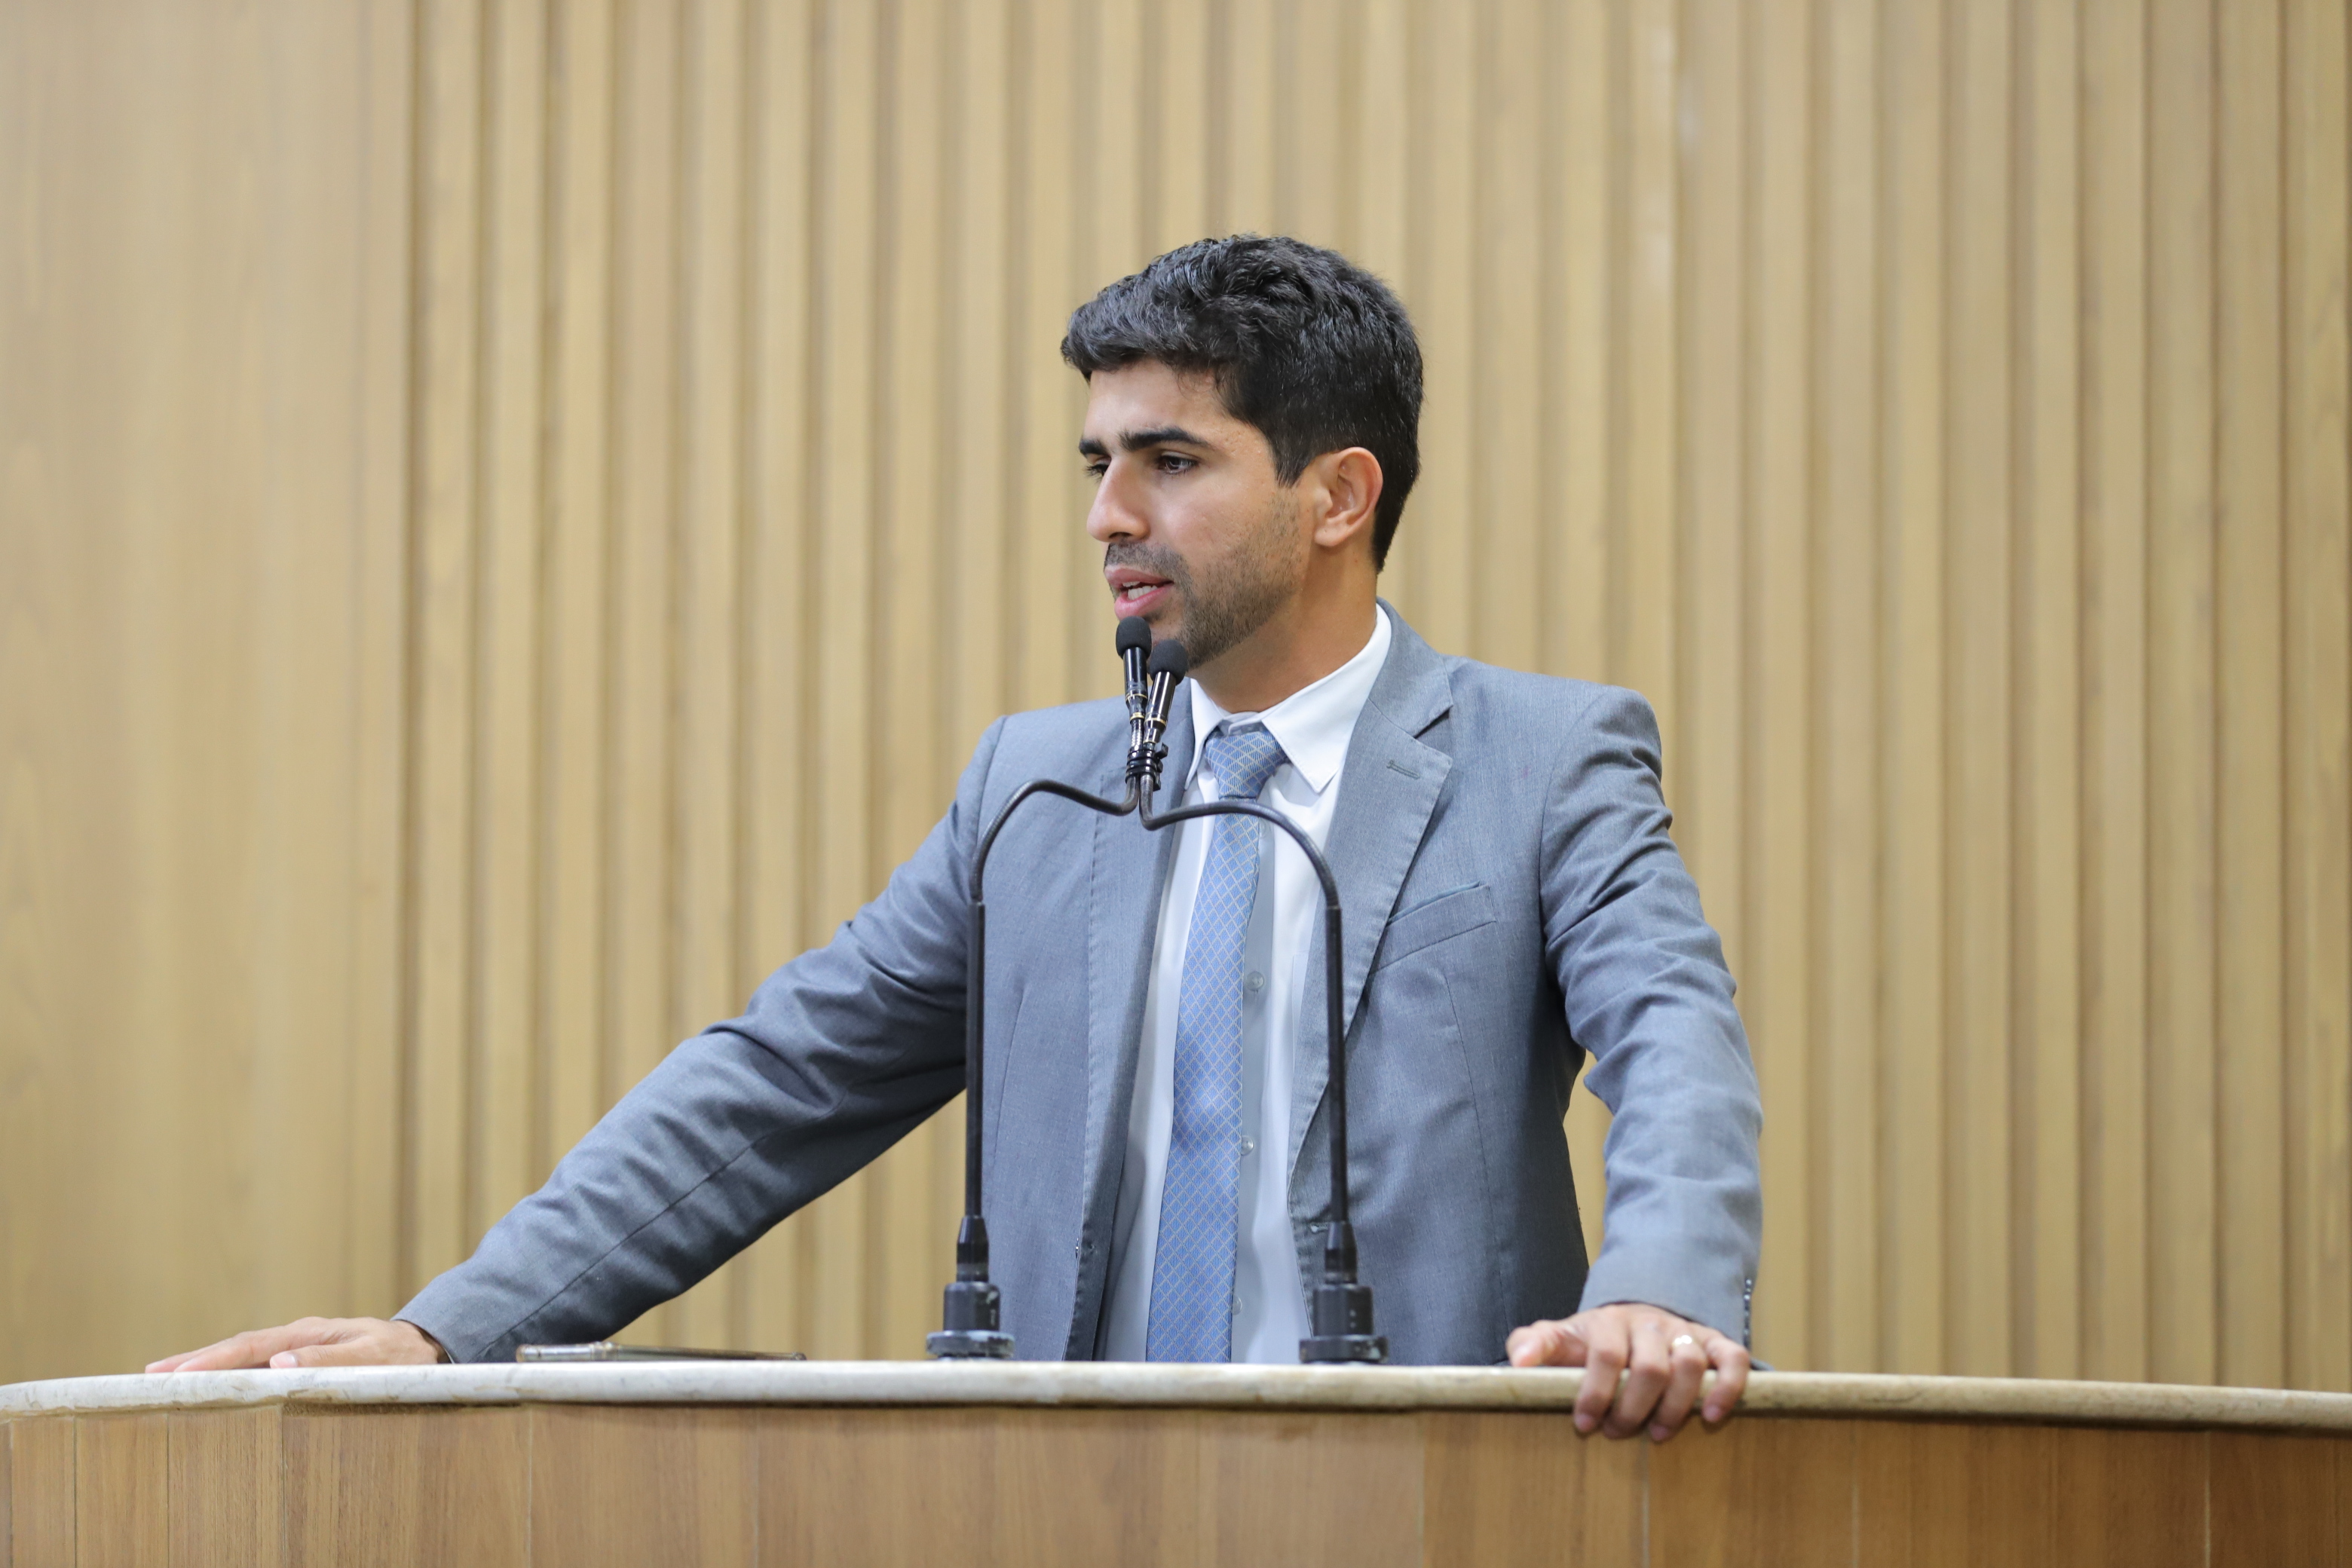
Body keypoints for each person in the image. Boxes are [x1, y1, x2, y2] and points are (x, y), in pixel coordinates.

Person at [154, 236, 1762, 1443]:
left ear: (1339, 495)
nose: (1108, 515)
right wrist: (448, 1330)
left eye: (1170, 462)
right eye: (1099, 462)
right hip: (1068, 1510)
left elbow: (1674, 1038)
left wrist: (1660, 1292)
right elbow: (779, 1081)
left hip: (1432, 1503)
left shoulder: (1542, 761)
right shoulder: (1032, 792)